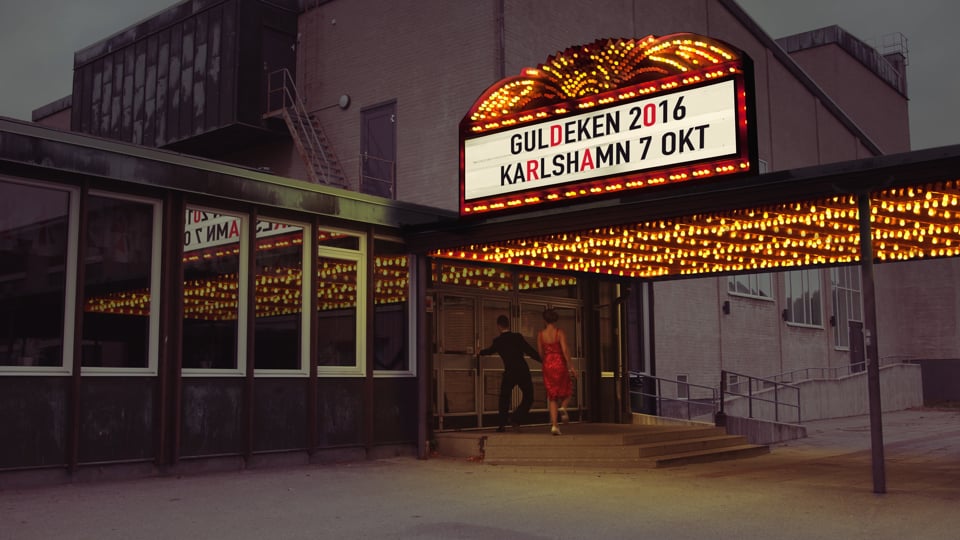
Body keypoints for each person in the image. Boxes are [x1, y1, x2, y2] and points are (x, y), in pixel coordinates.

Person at [478, 314, 541, 432]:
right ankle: (516, 418)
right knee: (529, 397)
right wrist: (543, 360)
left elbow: (489, 351)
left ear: (498, 326)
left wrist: (479, 352)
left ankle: (501, 425)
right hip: (522, 371)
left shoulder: (498, 341)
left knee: (504, 398)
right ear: (508, 324)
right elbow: (529, 351)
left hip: (510, 373)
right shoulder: (517, 337)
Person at [537, 308, 576, 435]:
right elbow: (565, 350)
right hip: (559, 363)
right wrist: (571, 366)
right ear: (555, 320)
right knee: (568, 388)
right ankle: (563, 407)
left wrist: (546, 360)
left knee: (552, 396)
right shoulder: (559, 332)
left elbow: (540, 353)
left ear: (544, 320)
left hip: (548, 364)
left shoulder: (540, 334)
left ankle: (554, 426)